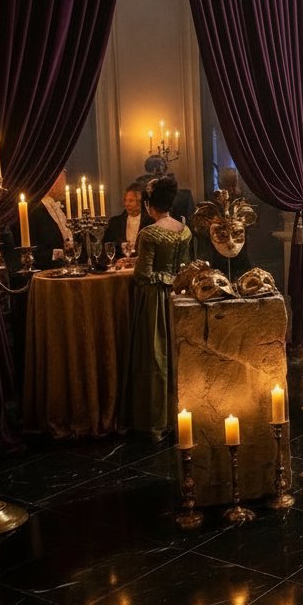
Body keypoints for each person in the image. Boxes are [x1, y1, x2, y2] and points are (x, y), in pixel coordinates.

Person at [119, 176, 193, 438]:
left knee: (154, 354)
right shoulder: (184, 231)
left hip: (155, 300)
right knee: (173, 353)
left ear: (149, 205)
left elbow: (142, 276)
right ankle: (178, 413)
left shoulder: (149, 234)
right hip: (177, 297)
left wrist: (136, 265)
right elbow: (183, 269)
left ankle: (154, 418)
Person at [27, 170, 75, 269]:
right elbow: (34, 251)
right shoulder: (34, 210)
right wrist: (61, 253)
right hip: (48, 270)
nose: (64, 182)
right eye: (62, 177)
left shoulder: (58, 206)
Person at [103, 182, 146, 260]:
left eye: (131, 201)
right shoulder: (115, 222)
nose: (127, 204)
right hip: (121, 264)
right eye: (125, 200)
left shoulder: (149, 221)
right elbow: (108, 247)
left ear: (140, 202)